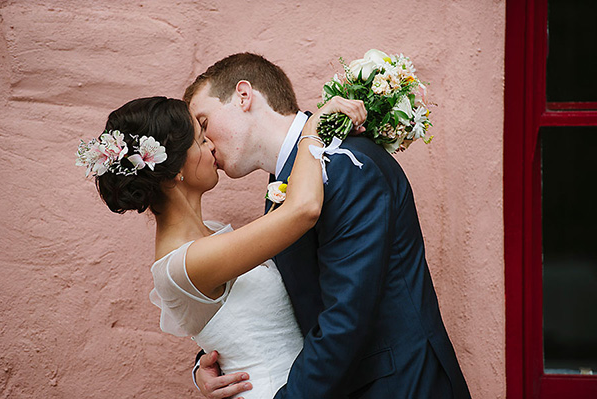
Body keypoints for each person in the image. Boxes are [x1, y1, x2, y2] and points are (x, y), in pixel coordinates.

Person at [185, 53, 471, 399]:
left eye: (203, 122)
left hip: (400, 385)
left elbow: (346, 317)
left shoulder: (346, 164)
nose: (205, 142)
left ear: (243, 96)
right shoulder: (287, 180)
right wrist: (213, 360)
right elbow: (280, 297)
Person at [80, 95, 366, 399]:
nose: (212, 146)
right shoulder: (187, 263)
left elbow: (235, 321)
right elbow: (304, 209)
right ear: (173, 170)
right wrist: (312, 127)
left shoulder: (209, 238)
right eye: (201, 140)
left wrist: (200, 368)